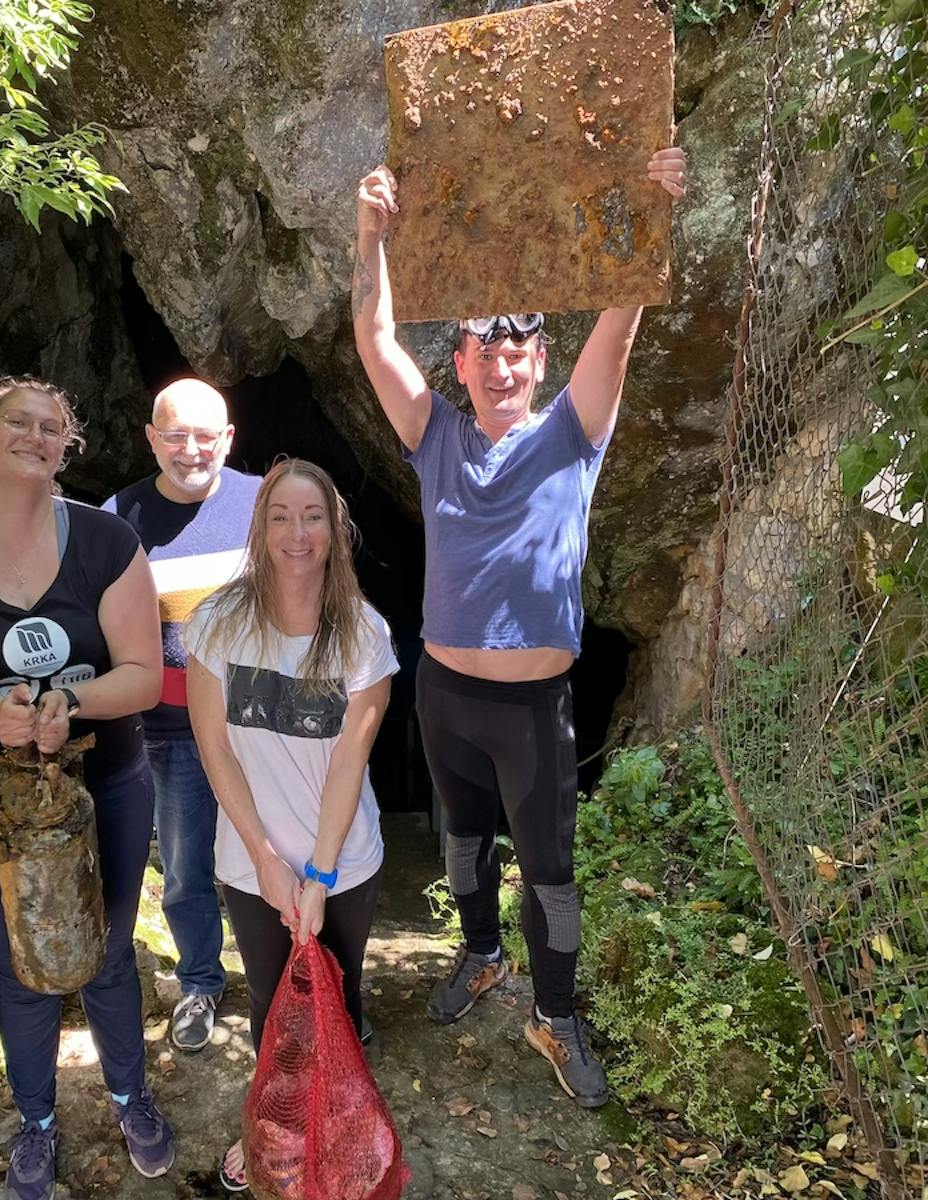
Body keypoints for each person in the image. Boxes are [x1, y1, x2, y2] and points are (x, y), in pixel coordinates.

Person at [352, 148, 688, 1109]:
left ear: (539, 360)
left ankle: (554, 1012)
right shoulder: (437, 438)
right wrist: (372, 232)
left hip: (536, 704)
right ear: (458, 363)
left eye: (517, 353)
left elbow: (618, 328)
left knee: (550, 873)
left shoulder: (571, 434)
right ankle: (481, 956)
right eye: (482, 353)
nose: (500, 367)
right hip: (446, 695)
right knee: (463, 845)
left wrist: (649, 212)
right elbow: (375, 338)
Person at [0, 376, 176, 1198]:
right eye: (19, 421)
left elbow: (145, 676)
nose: (38, 437)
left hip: (106, 784)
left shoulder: (105, 544)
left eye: (55, 427)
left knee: (110, 952)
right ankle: (37, 1123)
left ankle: (131, 1098)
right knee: (21, 969)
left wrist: (69, 702)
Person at [184, 459, 399, 1191]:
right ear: (260, 527)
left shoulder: (365, 633)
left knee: (339, 996)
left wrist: (322, 874)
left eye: (312, 516)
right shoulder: (217, 623)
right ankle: (270, 1127)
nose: (296, 533)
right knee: (273, 1003)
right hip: (252, 863)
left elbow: (349, 760)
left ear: (335, 530)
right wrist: (269, 859)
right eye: (280, 516)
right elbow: (214, 746)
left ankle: (337, 1126)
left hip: (346, 860)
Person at [102, 379, 261, 1052]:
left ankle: (283, 982)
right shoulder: (121, 516)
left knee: (271, 854)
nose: (190, 450)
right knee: (189, 866)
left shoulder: (265, 504)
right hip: (170, 732)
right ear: (151, 438)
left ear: (228, 437)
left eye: (205, 435)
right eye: (175, 435)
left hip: (261, 726)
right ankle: (200, 982)